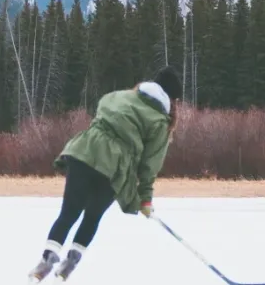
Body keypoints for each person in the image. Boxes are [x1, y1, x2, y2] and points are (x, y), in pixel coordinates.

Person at [30, 66, 183, 282]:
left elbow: (102, 108)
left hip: (85, 152)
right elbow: (150, 165)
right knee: (92, 216)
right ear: (172, 100)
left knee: (69, 213)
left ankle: (47, 259)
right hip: (115, 168)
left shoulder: (119, 96)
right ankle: (70, 263)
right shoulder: (160, 122)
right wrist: (145, 199)